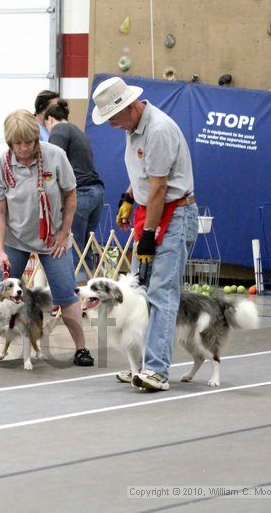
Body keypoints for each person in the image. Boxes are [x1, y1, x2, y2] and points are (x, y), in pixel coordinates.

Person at [91, 76, 198, 392]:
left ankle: (157, 371)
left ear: (128, 107)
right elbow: (145, 176)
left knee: (162, 293)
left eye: (112, 117)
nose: (111, 124)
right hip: (149, 210)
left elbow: (160, 186)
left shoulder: (159, 130)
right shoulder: (132, 129)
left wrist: (148, 235)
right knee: (137, 290)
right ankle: (139, 366)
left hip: (173, 214)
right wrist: (127, 197)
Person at [0, 109, 95, 367]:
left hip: (52, 239)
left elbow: (71, 196)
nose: (25, 148)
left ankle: (81, 348)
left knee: (66, 293)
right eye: (19, 143)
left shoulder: (55, 156)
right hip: (15, 239)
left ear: (37, 139)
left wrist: (64, 233)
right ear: (10, 143)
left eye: (30, 142)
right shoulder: (2, 166)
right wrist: (0, 250)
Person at [44, 99, 105, 284]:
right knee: (84, 248)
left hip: (80, 194)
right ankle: (89, 292)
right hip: (96, 192)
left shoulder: (58, 130)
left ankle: (75, 299)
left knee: (73, 249)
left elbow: (52, 165)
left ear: (49, 119)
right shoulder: (78, 131)